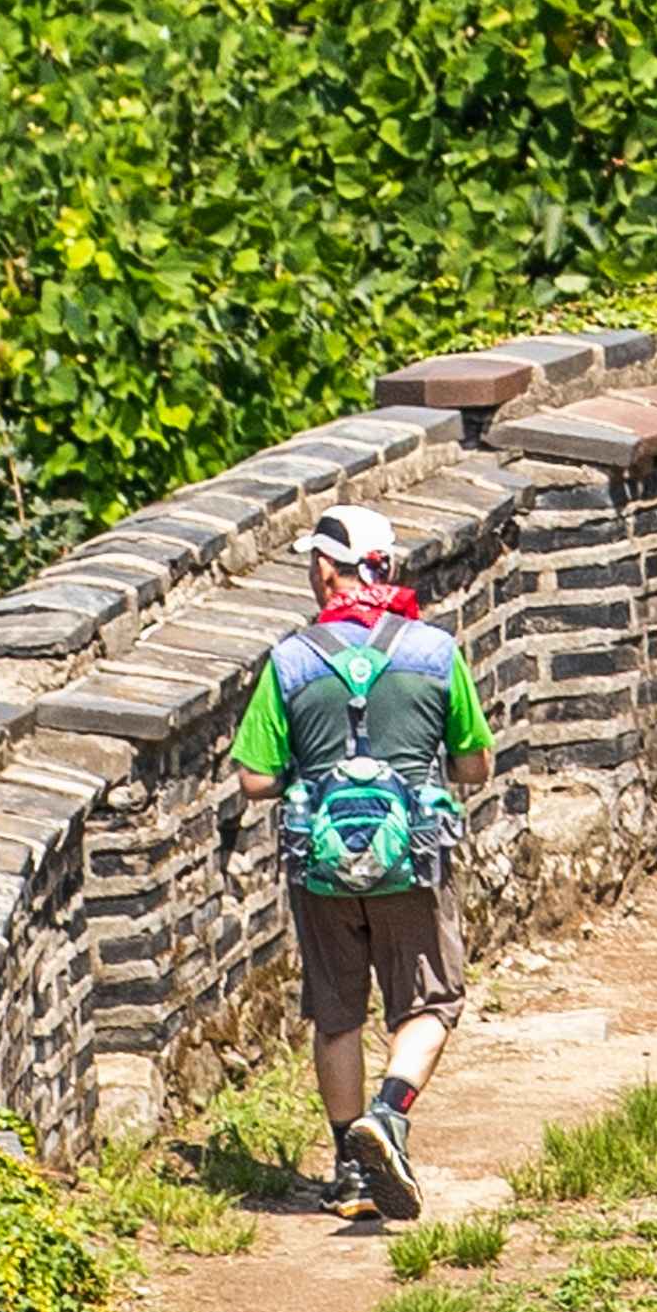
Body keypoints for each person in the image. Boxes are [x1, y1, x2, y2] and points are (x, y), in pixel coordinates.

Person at [240, 497, 496, 1214]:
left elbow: (255, 779)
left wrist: (313, 774)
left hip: (322, 871)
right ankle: (389, 1112)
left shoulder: (289, 662)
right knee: (433, 1002)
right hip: (412, 860)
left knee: (338, 1013)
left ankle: (351, 1168)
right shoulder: (433, 652)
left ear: (328, 570)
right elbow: (475, 765)